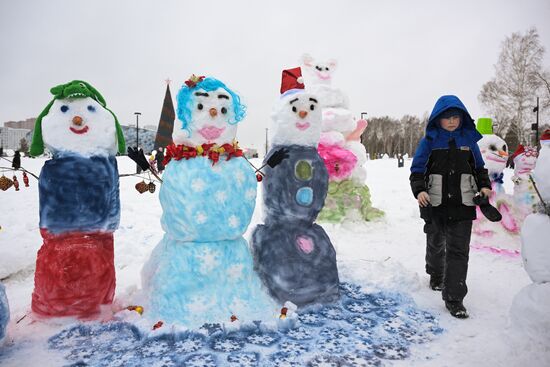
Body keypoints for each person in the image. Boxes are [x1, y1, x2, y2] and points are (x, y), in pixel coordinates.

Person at [409, 95, 492, 319]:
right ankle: (436, 274)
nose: (452, 121)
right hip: (435, 204)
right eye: (447, 118)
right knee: (436, 242)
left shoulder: (469, 141)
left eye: (455, 117)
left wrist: (484, 187)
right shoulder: (430, 141)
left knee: (458, 251)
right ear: (438, 120)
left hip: (463, 205)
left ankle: (454, 298)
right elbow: (417, 170)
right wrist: (420, 190)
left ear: (462, 118)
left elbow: (480, 169)